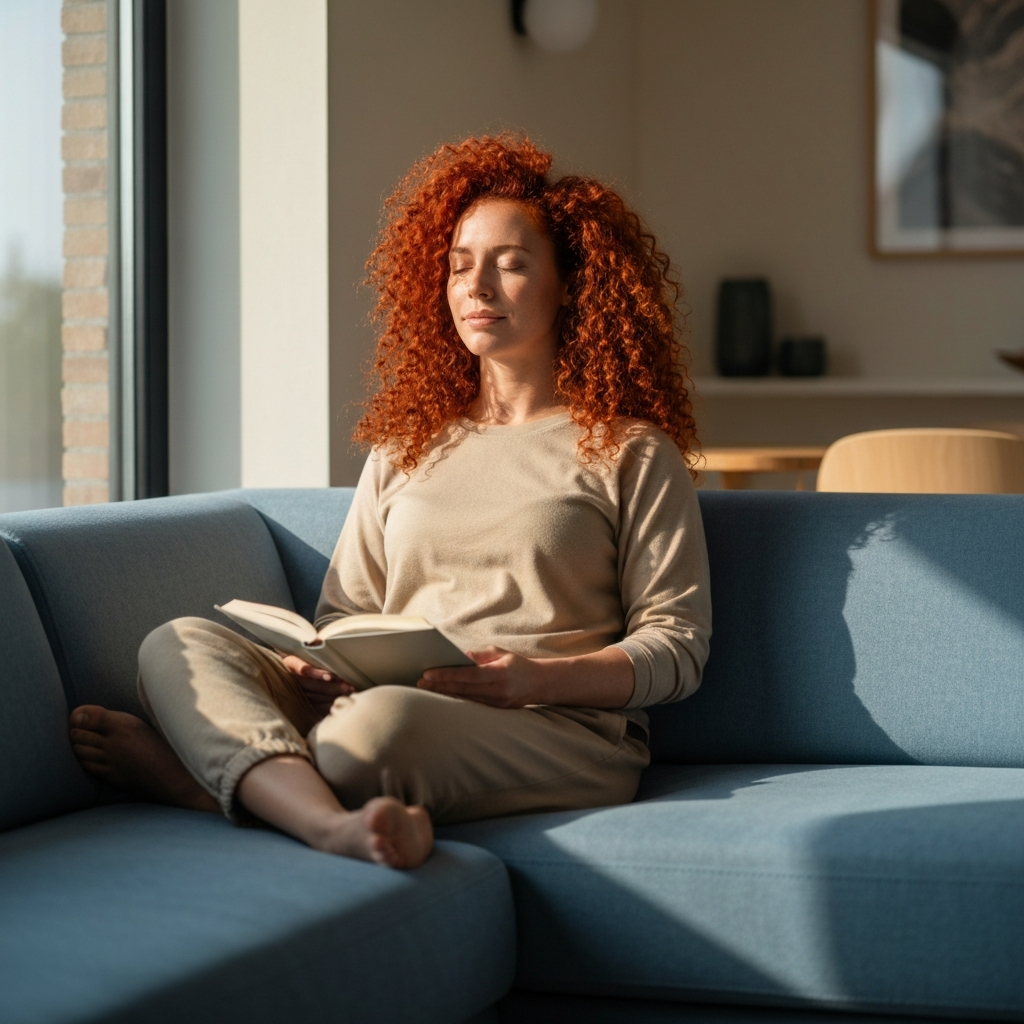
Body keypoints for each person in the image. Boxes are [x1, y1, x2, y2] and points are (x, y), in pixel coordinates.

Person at [68, 134, 711, 871]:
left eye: (511, 264)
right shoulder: (408, 446)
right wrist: (324, 664)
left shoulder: (630, 451)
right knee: (179, 644)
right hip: (379, 699)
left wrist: (532, 677)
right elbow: (346, 610)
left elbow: (677, 646)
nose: (478, 287)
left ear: (570, 284)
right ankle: (320, 818)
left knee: (371, 732)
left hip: (552, 724)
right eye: (460, 266)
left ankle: (211, 784)